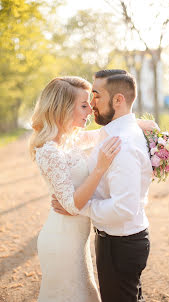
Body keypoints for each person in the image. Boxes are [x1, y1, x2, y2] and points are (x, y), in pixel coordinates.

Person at [52, 69, 155, 302]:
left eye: (96, 95)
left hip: (120, 244)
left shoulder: (122, 145)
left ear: (118, 100)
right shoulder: (117, 133)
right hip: (119, 240)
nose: (92, 103)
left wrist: (78, 206)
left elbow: (123, 209)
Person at [30, 76, 122, 302]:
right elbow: (71, 205)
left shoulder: (70, 139)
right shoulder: (49, 150)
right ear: (61, 107)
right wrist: (99, 168)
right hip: (62, 242)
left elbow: (102, 135)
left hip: (75, 240)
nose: (90, 110)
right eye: (83, 105)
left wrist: (140, 124)